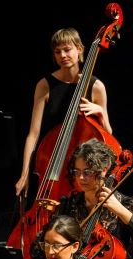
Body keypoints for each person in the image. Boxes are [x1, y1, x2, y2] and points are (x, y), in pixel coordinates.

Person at [14, 28, 111, 197]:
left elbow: (108, 136)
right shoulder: (45, 85)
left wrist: (100, 112)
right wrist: (24, 174)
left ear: (79, 49)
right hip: (51, 169)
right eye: (58, 52)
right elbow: (33, 134)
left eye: (67, 49)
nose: (63, 55)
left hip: (83, 171)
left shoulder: (96, 87)